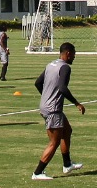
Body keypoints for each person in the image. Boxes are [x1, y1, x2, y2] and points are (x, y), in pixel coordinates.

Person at [32, 42, 84, 179]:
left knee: (67, 131)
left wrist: (46, 96)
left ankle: (67, 164)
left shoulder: (51, 64)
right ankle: (37, 173)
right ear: (67, 53)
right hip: (53, 109)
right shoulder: (65, 67)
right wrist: (76, 103)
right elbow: (62, 88)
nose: (74, 57)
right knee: (54, 142)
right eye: (73, 54)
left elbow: (38, 82)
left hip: (46, 105)